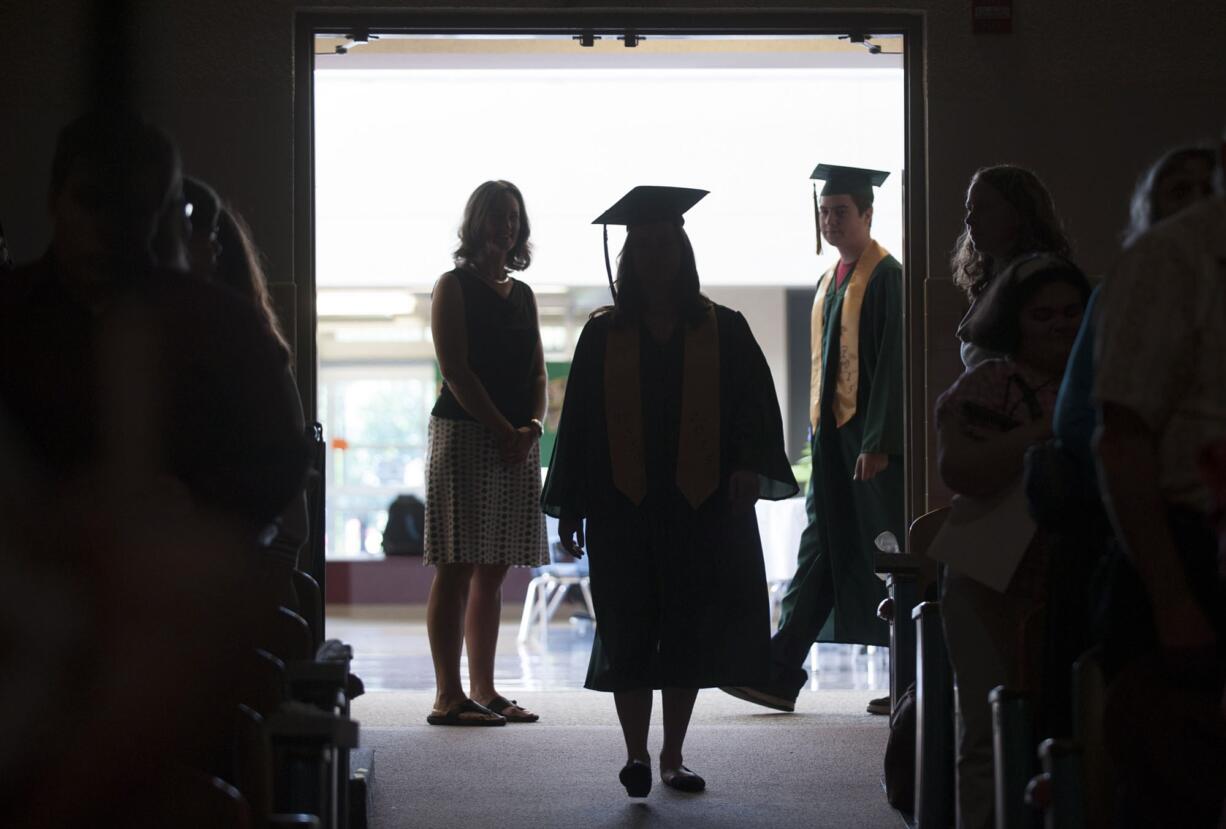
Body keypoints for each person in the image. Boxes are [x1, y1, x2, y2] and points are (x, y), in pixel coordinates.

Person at [544, 185, 797, 797]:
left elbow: (752, 414)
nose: (657, 255)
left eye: (667, 244)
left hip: (698, 507)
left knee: (685, 627)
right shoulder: (602, 335)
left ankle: (673, 756)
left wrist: (742, 466)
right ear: (630, 257)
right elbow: (577, 426)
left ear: (683, 251)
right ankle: (634, 755)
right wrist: (571, 504)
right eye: (645, 245)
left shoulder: (725, 330)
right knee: (627, 625)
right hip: (619, 505)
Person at [722, 163, 903, 715]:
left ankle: (909, 679)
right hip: (830, 441)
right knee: (821, 546)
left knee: (885, 549)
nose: (831, 221)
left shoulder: (886, 275)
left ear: (867, 214)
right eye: (825, 212)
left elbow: (894, 363)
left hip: (869, 444)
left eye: (841, 212)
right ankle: (779, 671)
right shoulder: (830, 281)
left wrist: (878, 438)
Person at [1093, 136, 1226, 828]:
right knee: (1176, 782)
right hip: (1188, 546)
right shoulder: (1170, 257)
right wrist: (1173, 598)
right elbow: (1121, 436)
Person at [936, 253, 1091, 829]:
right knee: (986, 731)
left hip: (1078, 577)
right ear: (1014, 321)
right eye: (1042, 314)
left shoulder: (1110, 377)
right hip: (986, 575)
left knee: (1079, 732)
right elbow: (961, 470)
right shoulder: (987, 382)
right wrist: (1052, 429)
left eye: (1072, 312)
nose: (1059, 324)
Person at [424, 180, 548, 726]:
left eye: (513, 216)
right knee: (457, 565)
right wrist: (502, 427)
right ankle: (447, 696)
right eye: (496, 215)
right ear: (476, 221)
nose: (506, 225)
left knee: (494, 570)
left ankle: (485, 689)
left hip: (516, 440)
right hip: (466, 436)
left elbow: (539, 369)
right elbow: (455, 371)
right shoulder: (452, 285)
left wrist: (533, 425)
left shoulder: (523, 294)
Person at [952, 165, 1073, 369]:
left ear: (1018, 213)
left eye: (983, 208)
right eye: (970, 208)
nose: (969, 219)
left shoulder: (1039, 278)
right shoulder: (997, 275)